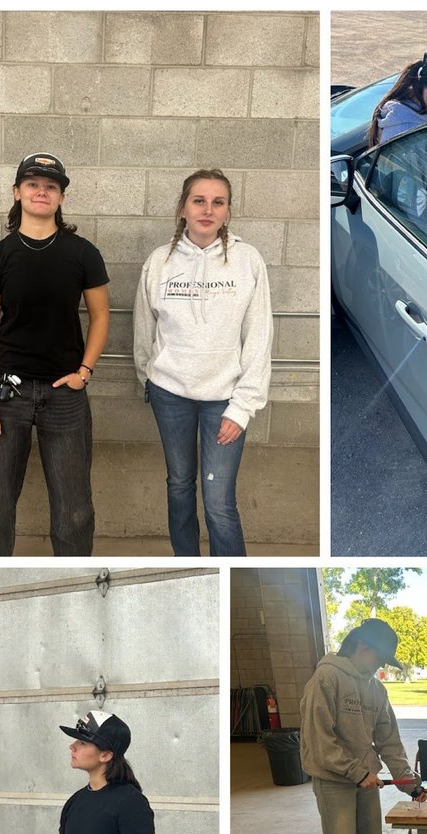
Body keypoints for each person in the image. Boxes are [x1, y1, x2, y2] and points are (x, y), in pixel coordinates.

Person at [0, 153, 109, 556]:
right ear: (17, 193)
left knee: (74, 512)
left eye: (50, 186)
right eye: (32, 184)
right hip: (6, 396)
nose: (41, 191)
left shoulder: (83, 253)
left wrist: (84, 372)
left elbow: (100, 317)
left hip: (65, 395)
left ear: (61, 197)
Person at [133, 169, 272, 556]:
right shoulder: (159, 262)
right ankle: (187, 564)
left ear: (228, 211)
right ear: (182, 208)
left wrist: (242, 408)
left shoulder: (247, 261)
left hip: (225, 400)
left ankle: (228, 575)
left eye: (218, 202)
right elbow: (144, 328)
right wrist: (148, 377)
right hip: (170, 394)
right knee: (179, 485)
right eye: (199, 201)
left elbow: (259, 337)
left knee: (219, 501)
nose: (208, 210)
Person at [300, 619, 427, 834]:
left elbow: (388, 741)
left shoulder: (376, 689)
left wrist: (410, 783)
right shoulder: (326, 678)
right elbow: (319, 741)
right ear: (361, 646)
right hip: (334, 782)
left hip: (365, 782)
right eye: (378, 659)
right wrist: (356, 772)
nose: (379, 668)